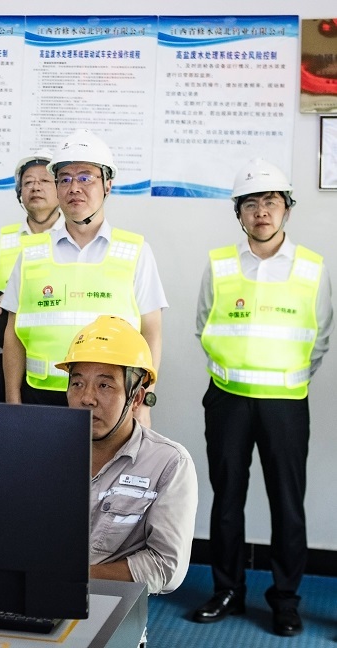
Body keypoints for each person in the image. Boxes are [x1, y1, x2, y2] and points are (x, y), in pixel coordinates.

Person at [192, 159, 333, 637]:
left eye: (270, 201)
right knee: (226, 499)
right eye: (250, 204)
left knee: (287, 505)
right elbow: (204, 325)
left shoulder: (311, 267)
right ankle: (227, 591)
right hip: (227, 400)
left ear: (287, 208)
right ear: (239, 213)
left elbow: (320, 337)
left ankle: (285, 600)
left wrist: (288, 378)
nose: (261, 212)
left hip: (285, 403)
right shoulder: (220, 264)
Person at [1, 130, 167, 424]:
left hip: (111, 402)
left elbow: (151, 331)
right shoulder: (30, 253)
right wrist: (13, 403)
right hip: (40, 400)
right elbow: (13, 335)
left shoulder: (135, 251)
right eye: (64, 179)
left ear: (107, 185)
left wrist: (145, 403)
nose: (74, 187)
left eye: (85, 177)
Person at [57, 315, 198, 596]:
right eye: (77, 383)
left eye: (104, 385)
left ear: (136, 398)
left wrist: (69, 577)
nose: (87, 398)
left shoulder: (169, 464)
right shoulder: (42, 452)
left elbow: (166, 567)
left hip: (110, 602)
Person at [0, 150, 62, 401]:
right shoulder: (3, 239)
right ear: (19, 192)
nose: (35, 187)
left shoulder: (70, 239)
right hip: (2, 362)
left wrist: (21, 303)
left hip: (56, 366)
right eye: (28, 182)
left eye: (44, 181)